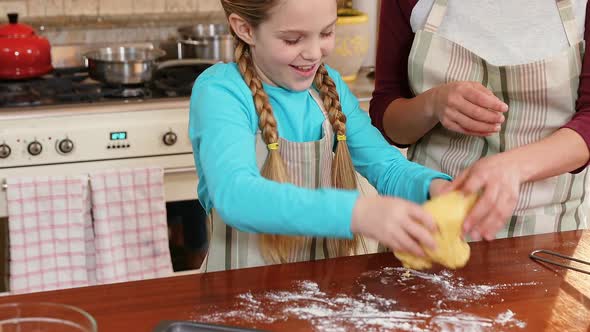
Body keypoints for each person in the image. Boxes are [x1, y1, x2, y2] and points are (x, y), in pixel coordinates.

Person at [189, 0, 452, 272]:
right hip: (238, 299)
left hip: (326, 295)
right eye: (293, 39)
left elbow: (388, 167)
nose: (315, 53)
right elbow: (238, 197)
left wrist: (436, 189)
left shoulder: (329, 87)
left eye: (326, 33)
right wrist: (356, 213)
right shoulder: (221, 92)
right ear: (245, 29)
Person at [370, 0, 590, 242]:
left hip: (547, 236)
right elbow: (388, 119)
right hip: (426, 227)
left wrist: (513, 167)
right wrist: (432, 104)